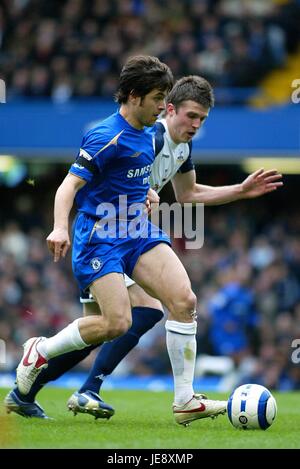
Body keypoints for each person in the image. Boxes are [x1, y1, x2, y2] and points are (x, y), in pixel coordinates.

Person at [6, 75, 282, 424]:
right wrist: (66, 223)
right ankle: (52, 367)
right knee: (110, 324)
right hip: (103, 233)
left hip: (135, 231)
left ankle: (181, 400)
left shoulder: (182, 146)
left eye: (202, 120)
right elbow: (93, 181)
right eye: (191, 116)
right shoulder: (148, 136)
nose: (196, 125)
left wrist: (240, 191)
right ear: (169, 109)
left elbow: (188, 195)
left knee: (177, 303)